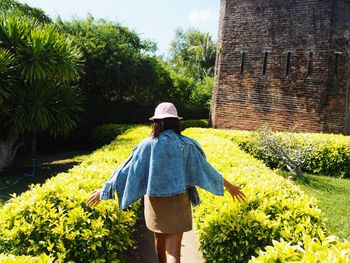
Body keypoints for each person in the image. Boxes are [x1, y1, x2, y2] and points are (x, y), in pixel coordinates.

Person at [87, 102, 245, 263]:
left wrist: (104, 190)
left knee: (159, 242)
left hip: (155, 201)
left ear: (155, 122)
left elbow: (126, 169)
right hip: (179, 200)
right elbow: (207, 169)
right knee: (173, 251)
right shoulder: (187, 144)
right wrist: (230, 187)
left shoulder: (145, 145)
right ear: (176, 122)